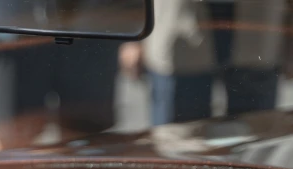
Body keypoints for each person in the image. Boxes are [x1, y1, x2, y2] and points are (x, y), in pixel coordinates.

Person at [122, 0, 289, 125]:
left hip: (258, 25)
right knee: (178, 144)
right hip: (178, 28)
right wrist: (133, 28)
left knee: (255, 143)